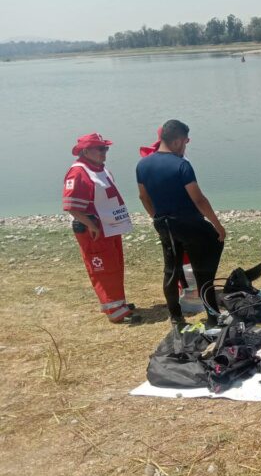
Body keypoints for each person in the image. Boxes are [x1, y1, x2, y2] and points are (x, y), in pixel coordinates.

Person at [136, 119, 226, 328]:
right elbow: (198, 199)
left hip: (164, 223)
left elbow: (143, 196)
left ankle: (176, 316)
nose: (185, 147)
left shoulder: (143, 164)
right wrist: (217, 226)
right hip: (188, 223)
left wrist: (156, 218)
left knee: (171, 269)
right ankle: (212, 316)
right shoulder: (181, 165)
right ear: (177, 141)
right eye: (185, 142)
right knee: (204, 268)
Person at [63, 133, 137, 324]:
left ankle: (119, 303)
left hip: (109, 227)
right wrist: (90, 225)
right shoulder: (78, 172)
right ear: (86, 151)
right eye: (100, 149)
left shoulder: (99, 169)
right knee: (102, 268)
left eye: (106, 148)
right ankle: (113, 309)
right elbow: (71, 206)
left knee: (115, 265)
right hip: (93, 230)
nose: (105, 152)